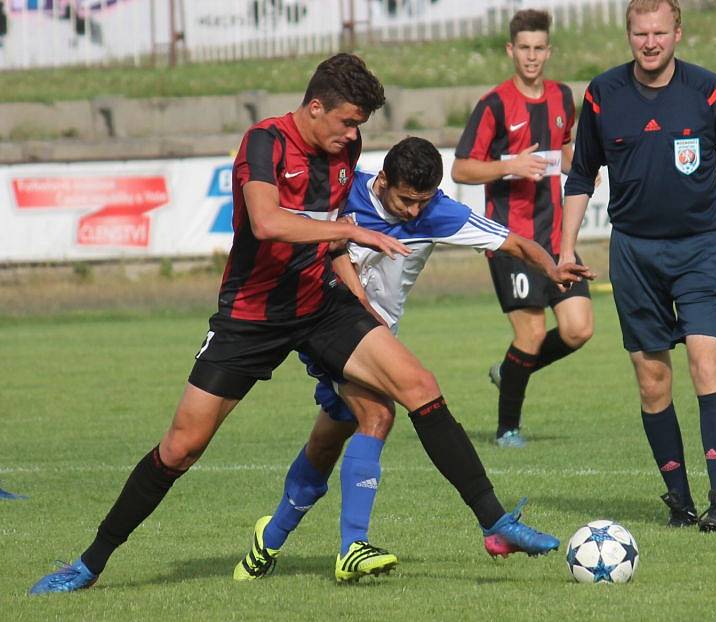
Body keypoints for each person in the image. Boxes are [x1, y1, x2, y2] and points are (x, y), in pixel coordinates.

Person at [30, 54, 561, 596]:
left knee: (417, 389)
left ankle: (495, 521)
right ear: (315, 107)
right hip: (252, 315)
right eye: (349, 121)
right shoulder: (265, 143)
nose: (355, 135)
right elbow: (266, 222)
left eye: (359, 125)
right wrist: (355, 233)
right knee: (181, 448)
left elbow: (330, 241)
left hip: (321, 303)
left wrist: (355, 284)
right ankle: (89, 564)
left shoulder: (344, 149)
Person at [242, 136, 595, 582]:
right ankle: (365, 543)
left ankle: (267, 540)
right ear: (384, 179)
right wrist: (360, 306)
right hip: (330, 325)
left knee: (328, 439)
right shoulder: (346, 192)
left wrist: (553, 267)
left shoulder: (437, 212)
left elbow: (517, 244)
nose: (413, 212)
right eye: (406, 200)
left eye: (422, 202)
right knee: (379, 413)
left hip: (376, 337)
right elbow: (326, 249)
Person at [561, 0, 716, 532]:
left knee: (706, 360)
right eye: (640, 33)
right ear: (629, 35)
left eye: (659, 32)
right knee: (651, 379)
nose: (650, 42)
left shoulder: (707, 91)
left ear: (677, 33)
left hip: (702, 247)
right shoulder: (601, 95)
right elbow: (580, 175)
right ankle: (680, 500)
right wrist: (566, 247)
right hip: (634, 252)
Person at [452, 9, 594, 448]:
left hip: (557, 237)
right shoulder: (494, 104)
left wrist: (585, 168)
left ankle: (509, 370)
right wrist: (508, 165)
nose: (532, 57)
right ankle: (507, 428)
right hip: (510, 241)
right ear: (511, 50)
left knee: (578, 329)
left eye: (539, 48)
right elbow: (460, 169)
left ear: (548, 51)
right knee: (530, 334)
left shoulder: (561, 96)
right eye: (524, 48)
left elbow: (566, 147)